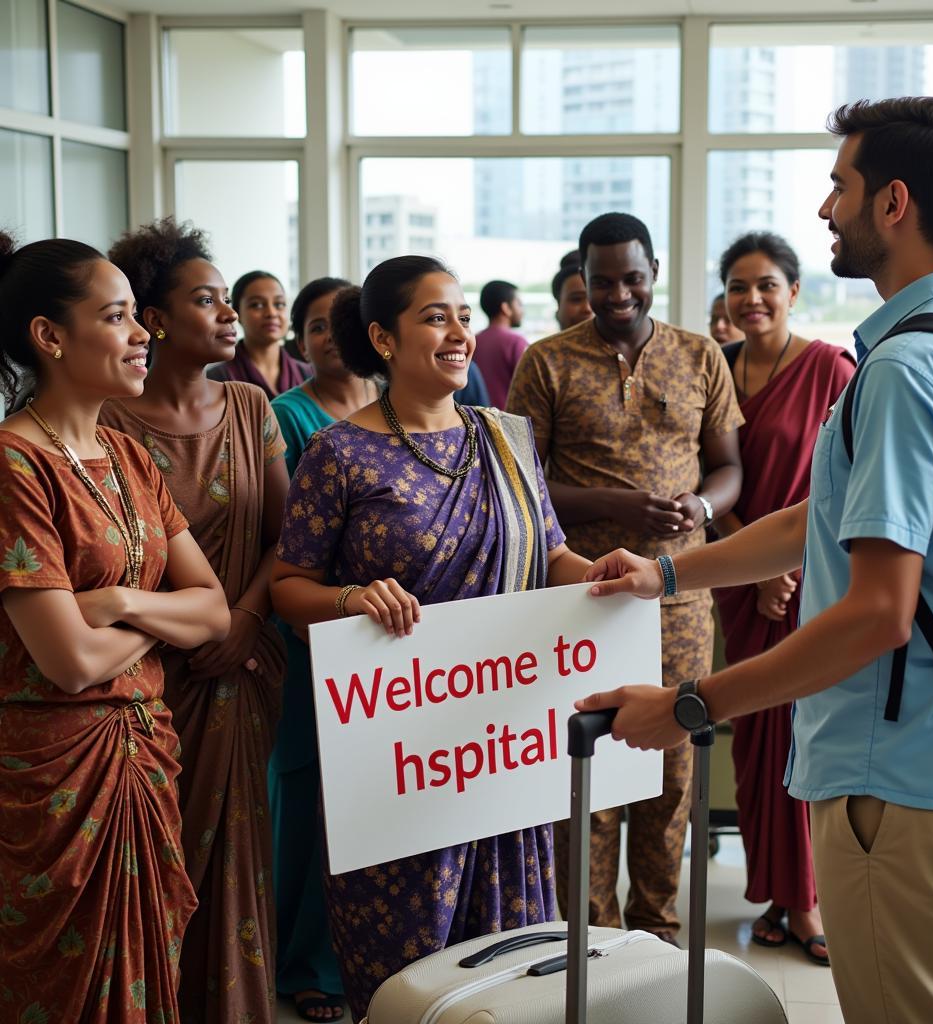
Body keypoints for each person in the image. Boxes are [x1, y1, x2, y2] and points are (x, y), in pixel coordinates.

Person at [577, 98, 933, 1024]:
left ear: (892, 203)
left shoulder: (905, 369)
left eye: (840, 185)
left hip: (895, 775)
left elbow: (876, 612)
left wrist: (689, 706)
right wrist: (664, 573)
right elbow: (825, 517)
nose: (826, 209)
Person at [270, 255, 591, 1020]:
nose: (458, 333)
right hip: (397, 756)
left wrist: (598, 571)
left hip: (501, 746)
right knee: (407, 962)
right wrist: (352, 596)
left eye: (463, 317)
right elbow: (287, 589)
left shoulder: (508, 438)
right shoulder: (339, 453)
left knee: (511, 962)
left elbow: (551, 554)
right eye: (434, 316)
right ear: (382, 338)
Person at [0, 233, 231, 1023]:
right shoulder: (14, 466)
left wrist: (124, 604)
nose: (143, 335)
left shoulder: (130, 458)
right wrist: (163, 615)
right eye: (119, 317)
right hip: (53, 781)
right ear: (50, 336)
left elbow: (217, 609)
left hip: (145, 755)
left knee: (146, 970)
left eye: (140, 317)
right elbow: (68, 661)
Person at [507, 212, 743, 945]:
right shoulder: (545, 363)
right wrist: (617, 504)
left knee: (673, 773)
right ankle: (594, 940)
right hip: (585, 599)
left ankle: (658, 929)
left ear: (655, 273)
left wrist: (702, 504)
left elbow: (730, 467)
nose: (617, 293)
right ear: (581, 278)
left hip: (679, 597)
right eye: (601, 280)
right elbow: (522, 483)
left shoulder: (701, 356)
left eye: (631, 278)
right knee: (592, 773)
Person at [104, 218, 290, 1024]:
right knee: (153, 868)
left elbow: (294, 538)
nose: (228, 314)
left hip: (239, 669)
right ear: (151, 317)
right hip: (140, 682)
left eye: (228, 300)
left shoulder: (251, 407)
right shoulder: (107, 421)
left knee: (236, 861)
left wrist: (246, 619)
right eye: (206, 300)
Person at [715, 231, 855, 964]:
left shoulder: (832, 368)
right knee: (756, 744)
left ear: (794, 292)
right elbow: (711, 476)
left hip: (813, 578)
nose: (752, 300)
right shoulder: (719, 369)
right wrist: (754, 570)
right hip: (742, 583)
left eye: (767, 285)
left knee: (803, 731)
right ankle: (778, 892)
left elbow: (845, 482)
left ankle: (808, 902)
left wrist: (789, 568)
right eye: (739, 287)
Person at [268, 277, 377, 1023]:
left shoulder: (410, 410)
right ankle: (308, 963)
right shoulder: (290, 415)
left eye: (344, 323)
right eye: (314, 326)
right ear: (298, 340)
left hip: (398, 643)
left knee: (382, 794)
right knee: (314, 797)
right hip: (323, 631)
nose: (330, 338)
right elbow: (290, 543)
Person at [208, 270, 312, 397]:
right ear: (236, 313)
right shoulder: (217, 378)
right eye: (257, 305)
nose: (272, 313)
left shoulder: (309, 374)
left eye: (279, 304)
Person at [471, 280, 529, 408]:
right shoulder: (516, 342)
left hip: (475, 421)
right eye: (519, 304)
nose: (522, 310)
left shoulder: (472, 341)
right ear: (506, 308)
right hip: (507, 421)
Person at [551, 261, 593, 332]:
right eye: (577, 299)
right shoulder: (543, 343)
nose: (587, 308)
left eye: (594, 300)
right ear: (558, 304)